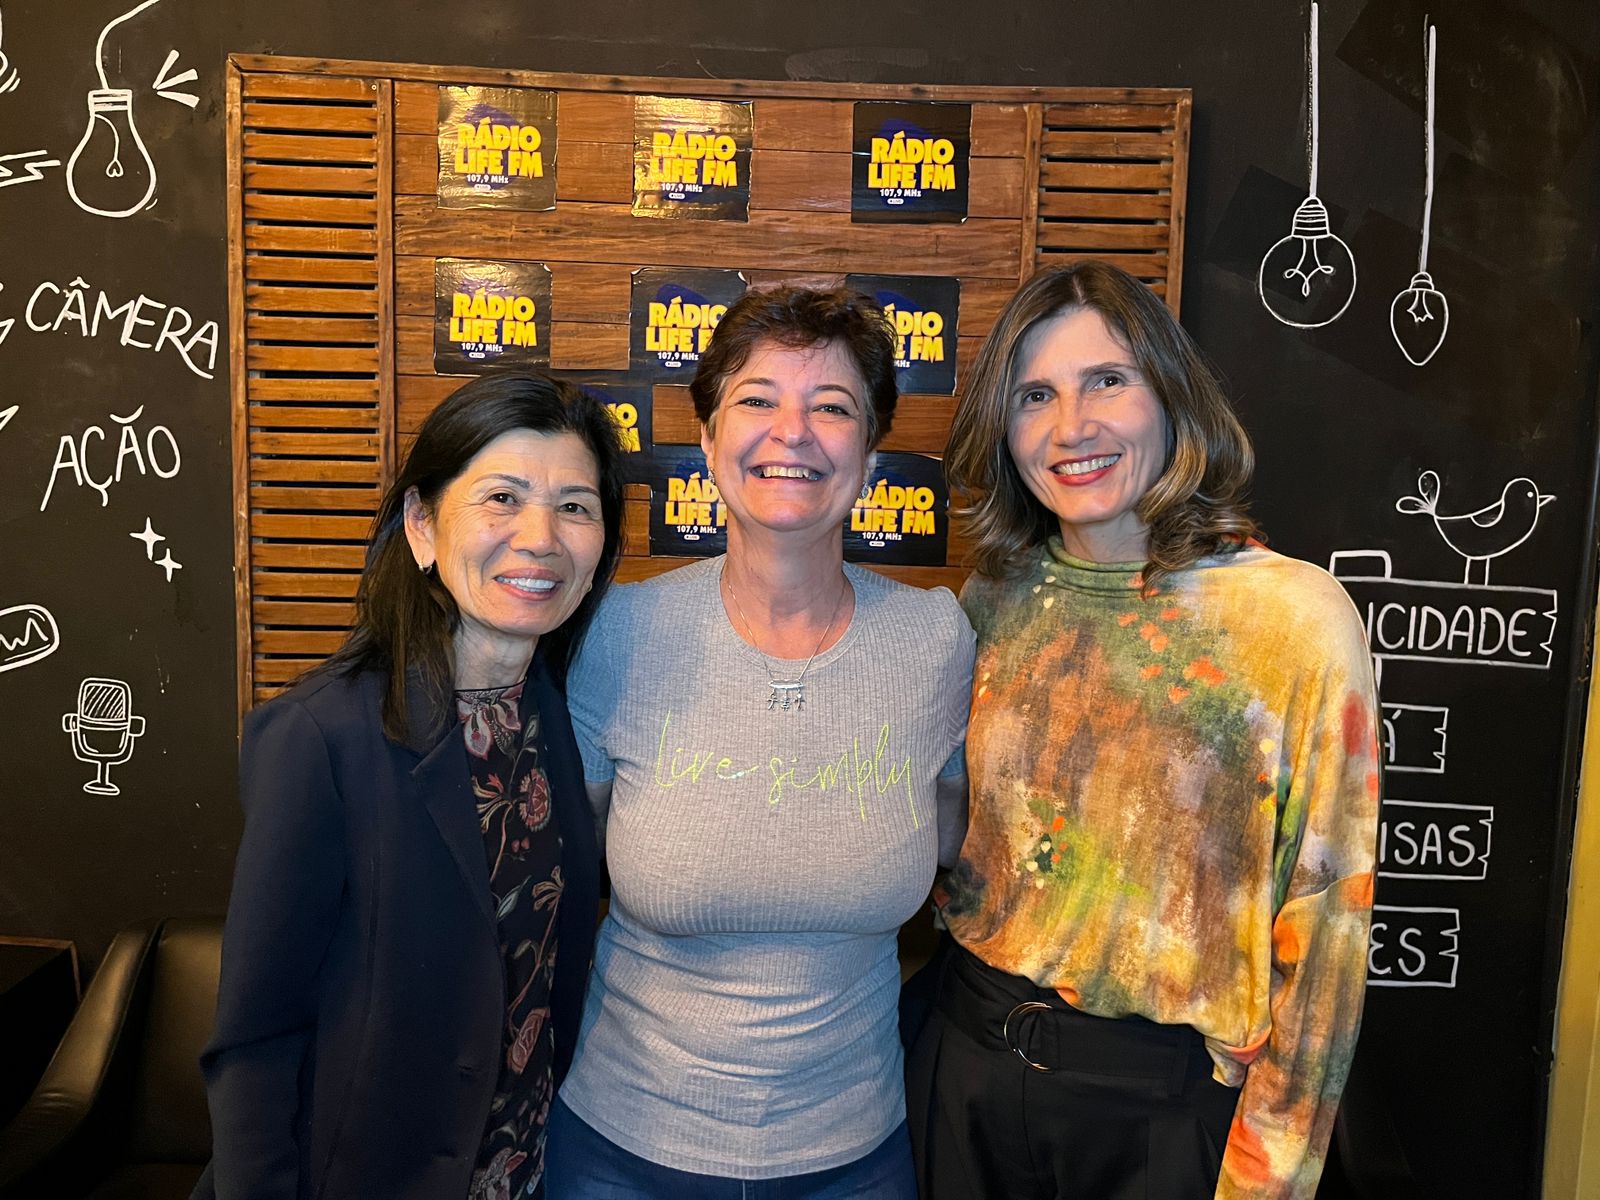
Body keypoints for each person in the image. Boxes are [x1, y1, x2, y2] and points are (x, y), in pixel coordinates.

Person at [910, 260, 1380, 1200]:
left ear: (1171, 396)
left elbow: (1329, 923)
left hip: (1166, 1116)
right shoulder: (995, 597)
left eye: (1106, 381)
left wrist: (1270, 1177)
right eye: (1035, 395)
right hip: (968, 1069)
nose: (1070, 427)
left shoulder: (1292, 618)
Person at [544, 286, 976, 1199]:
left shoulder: (935, 641)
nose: (793, 431)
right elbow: (562, 869)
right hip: (619, 1150)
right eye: (757, 399)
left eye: (833, 407)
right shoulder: (617, 634)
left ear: (869, 454)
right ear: (707, 442)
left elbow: (956, 839)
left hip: (856, 1158)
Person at [196, 373, 626, 1200]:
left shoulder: (564, 719)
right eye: (502, 498)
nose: (540, 538)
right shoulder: (319, 737)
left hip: (524, 1176)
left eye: (574, 506)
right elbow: (253, 1039)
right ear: (422, 526)